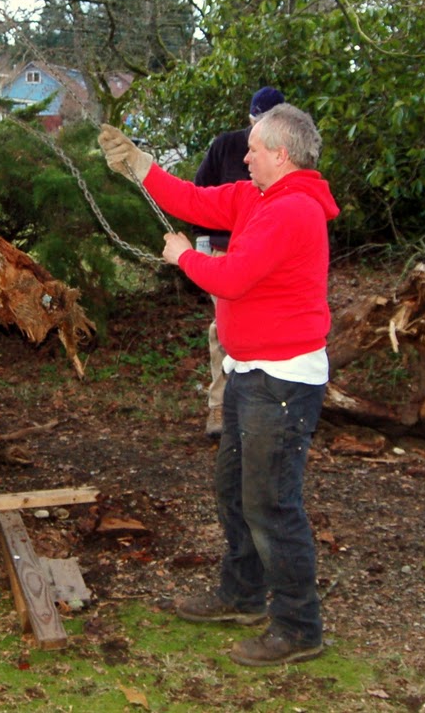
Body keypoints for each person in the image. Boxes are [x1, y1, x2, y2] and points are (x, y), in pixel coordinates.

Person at [98, 105, 339, 667]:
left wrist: (183, 256)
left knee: (272, 505)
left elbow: (231, 277)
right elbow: (195, 201)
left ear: (281, 155)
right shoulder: (257, 198)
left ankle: (299, 627)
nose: (244, 155)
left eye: (254, 148)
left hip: (281, 381)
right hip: (250, 372)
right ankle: (243, 594)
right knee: (235, 492)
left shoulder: (294, 210)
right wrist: (139, 166)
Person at [193, 86, 285, 439]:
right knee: (223, 330)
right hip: (226, 251)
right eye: (257, 123)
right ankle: (219, 406)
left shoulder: (290, 154)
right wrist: (201, 245)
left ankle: (263, 407)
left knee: (266, 328)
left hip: (270, 255)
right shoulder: (227, 146)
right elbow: (199, 193)